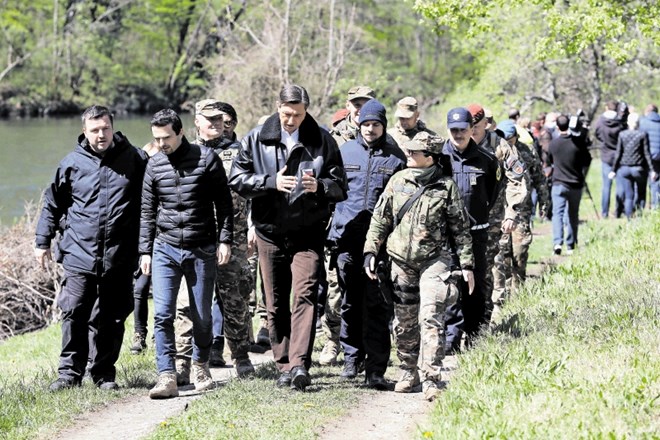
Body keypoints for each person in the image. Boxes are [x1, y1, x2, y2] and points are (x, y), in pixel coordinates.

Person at [229, 84, 347, 391]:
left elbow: (340, 186)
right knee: (275, 302)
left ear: (306, 110)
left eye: (296, 114)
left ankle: (299, 365)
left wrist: (319, 187)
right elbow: (237, 179)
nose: (290, 120)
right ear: (277, 107)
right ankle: (282, 363)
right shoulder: (256, 138)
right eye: (285, 113)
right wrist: (270, 181)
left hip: (308, 233)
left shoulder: (322, 139)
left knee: (305, 295)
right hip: (269, 232)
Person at [35, 105, 147, 391]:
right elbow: (52, 203)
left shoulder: (134, 158)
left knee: (112, 315)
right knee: (74, 312)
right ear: (85, 132)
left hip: (120, 254)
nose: (101, 135)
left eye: (105, 129)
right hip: (78, 253)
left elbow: (154, 194)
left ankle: (102, 374)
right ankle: (69, 374)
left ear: (113, 127)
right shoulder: (71, 163)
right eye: (95, 130)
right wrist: (42, 241)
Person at [363, 134, 475, 402]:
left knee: (431, 316)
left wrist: (467, 264)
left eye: (415, 153)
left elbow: (460, 229)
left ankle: (431, 377)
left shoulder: (446, 187)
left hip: (434, 261)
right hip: (400, 261)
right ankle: (407, 371)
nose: (409, 156)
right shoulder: (398, 181)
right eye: (409, 152)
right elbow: (381, 219)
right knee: (404, 321)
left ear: (431, 158)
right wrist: (370, 250)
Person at [140, 109, 234, 399]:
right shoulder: (154, 165)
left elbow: (224, 204)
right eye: (156, 138)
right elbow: (146, 211)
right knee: (163, 314)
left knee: (202, 315)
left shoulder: (207, 159)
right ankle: (166, 375)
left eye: (166, 137)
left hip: (202, 246)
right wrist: (145, 250)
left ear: (180, 132)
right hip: (165, 247)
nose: (161, 143)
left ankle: (200, 366)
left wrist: (225, 240)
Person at [326, 98, 406, 388]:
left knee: (378, 304)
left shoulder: (396, 158)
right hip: (347, 238)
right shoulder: (343, 152)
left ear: (383, 126)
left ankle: (375, 368)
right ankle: (351, 356)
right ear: (358, 124)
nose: (370, 129)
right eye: (366, 124)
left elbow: (402, 203)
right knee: (349, 301)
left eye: (376, 124)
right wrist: (332, 233)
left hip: (380, 242)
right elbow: (331, 195)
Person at [173, 99, 255, 382]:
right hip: (195, 238)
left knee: (236, 298)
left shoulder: (241, 151)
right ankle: (184, 362)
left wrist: (253, 227)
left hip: (233, 237)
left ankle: (241, 357)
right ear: (196, 122)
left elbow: (253, 190)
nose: (215, 124)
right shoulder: (184, 152)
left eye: (219, 120)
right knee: (187, 304)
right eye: (209, 120)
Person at [320, 85, 377, 367]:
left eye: (365, 103)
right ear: (348, 104)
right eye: (355, 103)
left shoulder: (384, 136)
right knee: (335, 291)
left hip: (372, 230)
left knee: (369, 292)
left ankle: (367, 346)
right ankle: (332, 343)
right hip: (339, 228)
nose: (359, 108)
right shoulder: (334, 137)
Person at [441, 107, 506, 353]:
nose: (458, 134)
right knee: (450, 287)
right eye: (454, 130)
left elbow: (494, 193)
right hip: (446, 235)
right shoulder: (438, 158)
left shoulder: (487, 160)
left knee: (476, 287)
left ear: (472, 129)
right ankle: (451, 337)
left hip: (476, 233)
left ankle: (475, 334)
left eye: (463, 129)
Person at [492, 120, 549, 313]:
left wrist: (544, 202)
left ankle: (519, 286)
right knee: (501, 251)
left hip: (522, 210)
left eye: (509, 137)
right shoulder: (495, 149)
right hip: (499, 210)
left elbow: (540, 178)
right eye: (503, 137)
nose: (506, 140)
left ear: (515, 137)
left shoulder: (526, 151)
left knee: (520, 248)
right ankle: (504, 292)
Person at [130, 140, 161, 355]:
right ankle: (139, 333)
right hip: (142, 244)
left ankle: (160, 334)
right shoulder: (136, 184)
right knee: (140, 288)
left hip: (164, 241)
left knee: (162, 291)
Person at [545, 115, 592, 255]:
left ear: (557, 127)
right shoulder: (578, 143)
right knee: (573, 215)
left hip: (558, 183)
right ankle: (571, 244)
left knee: (557, 214)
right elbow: (587, 160)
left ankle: (557, 243)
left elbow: (548, 160)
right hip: (575, 184)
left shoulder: (554, 144)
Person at [609, 113, 655, 219]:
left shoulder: (622, 134)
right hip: (639, 169)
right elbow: (646, 153)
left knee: (629, 196)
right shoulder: (642, 134)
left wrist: (613, 169)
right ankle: (639, 216)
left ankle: (629, 218)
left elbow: (618, 153)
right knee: (641, 193)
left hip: (624, 168)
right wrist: (652, 170)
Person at [595, 101, 625, 218]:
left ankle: (604, 212)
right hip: (618, 156)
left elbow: (597, 134)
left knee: (606, 186)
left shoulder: (601, 122)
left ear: (607, 107)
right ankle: (618, 211)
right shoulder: (620, 123)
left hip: (606, 155)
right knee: (620, 185)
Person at [639, 104, 660, 208]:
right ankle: (656, 206)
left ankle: (640, 208)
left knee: (641, 182)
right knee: (655, 181)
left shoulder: (643, 122)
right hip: (658, 157)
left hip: (644, 156)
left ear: (647, 112)